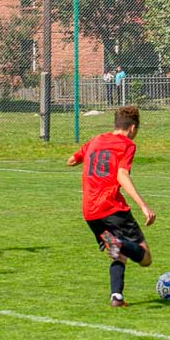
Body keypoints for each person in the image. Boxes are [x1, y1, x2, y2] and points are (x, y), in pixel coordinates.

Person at [67, 106, 156, 307]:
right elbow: (122, 175)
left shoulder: (96, 140)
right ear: (132, 128)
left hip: (90, 213)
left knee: (117, 253)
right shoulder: (127, 145)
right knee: (145, 258)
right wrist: (143, 206)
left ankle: (117, 296)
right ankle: (119, 243)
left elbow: (71, 160)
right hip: (111, 208)